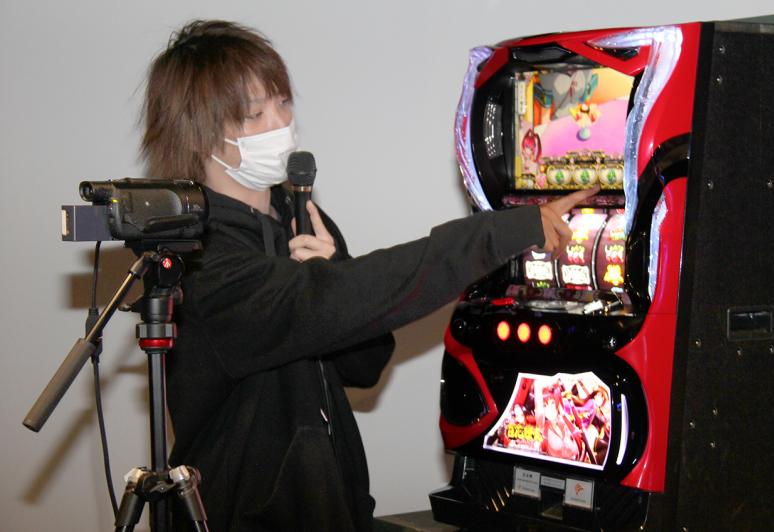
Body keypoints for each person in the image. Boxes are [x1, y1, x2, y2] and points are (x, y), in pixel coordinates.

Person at [140, 19, 597, 531]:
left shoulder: (297, 213)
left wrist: (333, 271)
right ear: (201, 134)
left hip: (331, 508)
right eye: (255, 114)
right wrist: (496, 234)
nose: (281, 122)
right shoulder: (202, 259)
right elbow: (326, 302)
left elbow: (366, 363)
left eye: (283, 103)